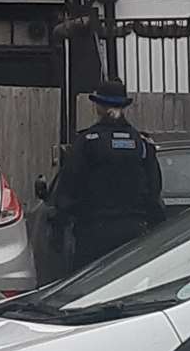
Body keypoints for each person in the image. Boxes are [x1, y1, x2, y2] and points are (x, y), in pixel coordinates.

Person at [51, 79, 165, 270]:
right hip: (133, 231)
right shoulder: (141, 143)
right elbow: (154, 189)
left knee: (89, 287)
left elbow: (69, 185)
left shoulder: (87, 142)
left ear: (99, 107)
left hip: (93, 231)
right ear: (124, 107)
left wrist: (60, 224)